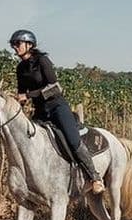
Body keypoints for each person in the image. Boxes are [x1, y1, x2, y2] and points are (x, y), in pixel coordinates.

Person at [11, 29, 105, 194]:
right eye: (13, 44)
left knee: (72, 139)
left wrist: (28, 95)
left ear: (29, 44)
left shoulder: (42, 61)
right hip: (40, 111)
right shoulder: (20, 68)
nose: (15, 47)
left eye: (17, 43)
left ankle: (94, 176)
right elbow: (22, 94)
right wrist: (18, 100)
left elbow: (54, 87)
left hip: (56, 107)